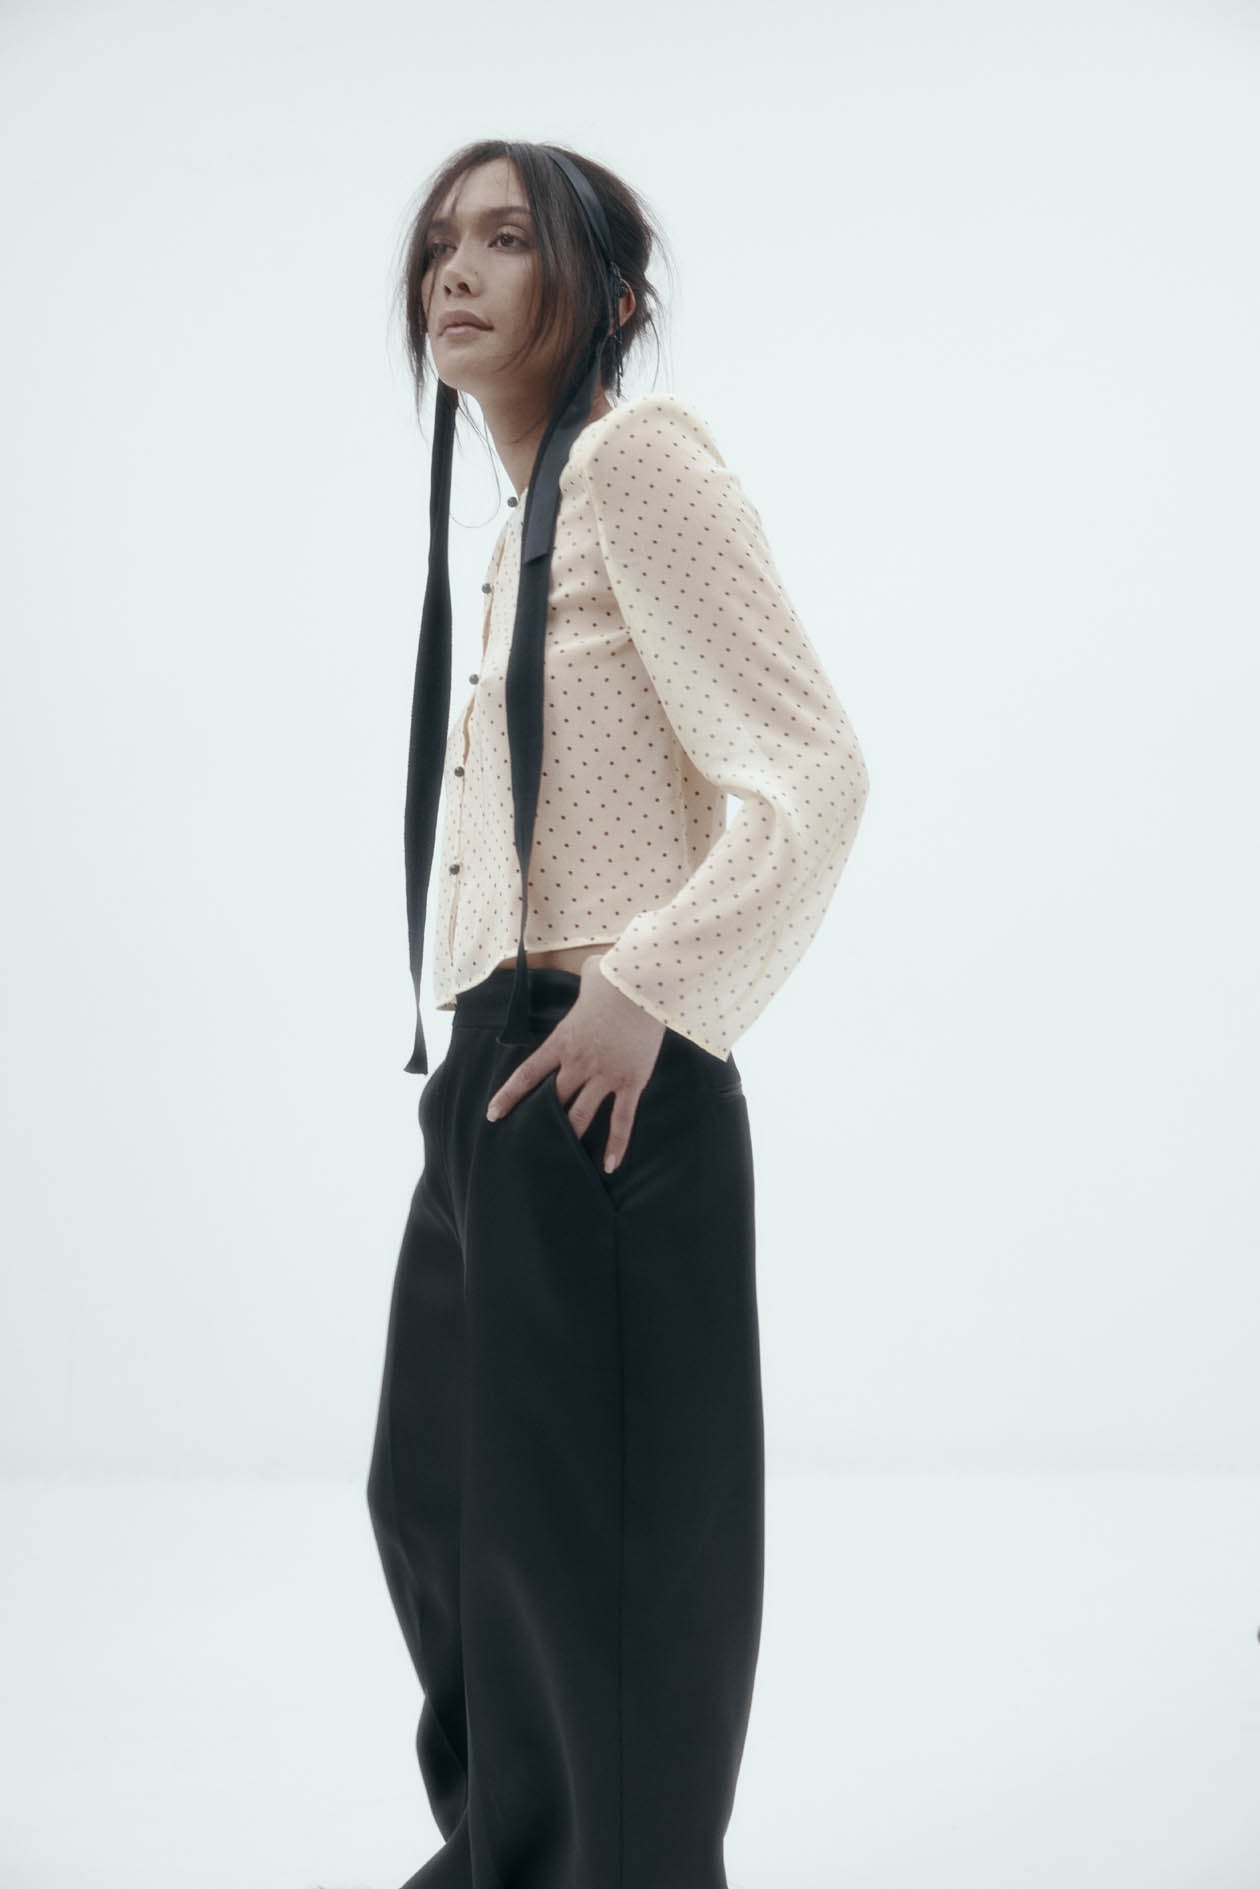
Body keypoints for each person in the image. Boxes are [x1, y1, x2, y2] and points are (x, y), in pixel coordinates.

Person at [367, 139, 870, 1889]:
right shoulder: (523, 519)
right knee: (440, 1504)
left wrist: (649, 988)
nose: (453, 267)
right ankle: (516, 1856)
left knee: (612, 1552)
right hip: (493, 1070)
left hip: (604, 1071)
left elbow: (811, 771)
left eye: (506, 236)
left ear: (612, 294)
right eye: (440, 240)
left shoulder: (638, 462)